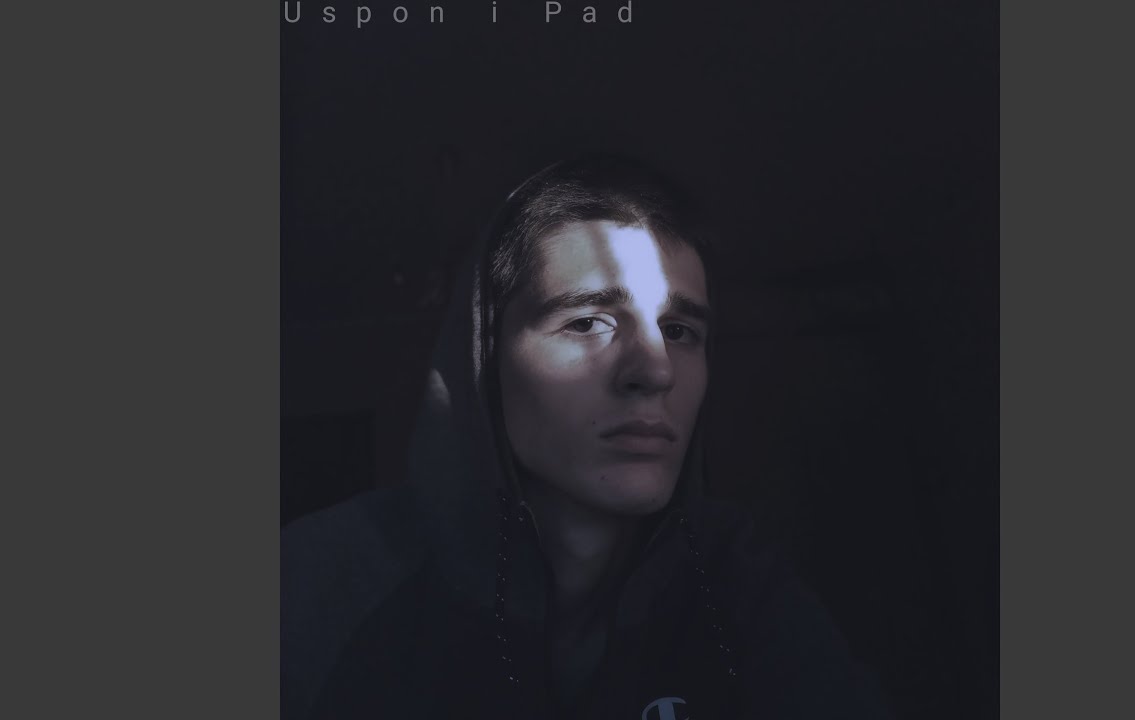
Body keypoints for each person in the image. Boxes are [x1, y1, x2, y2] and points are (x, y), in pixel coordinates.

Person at [281, 154, 891, 719]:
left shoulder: (736, 581)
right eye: (588, 321)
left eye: (679, 330)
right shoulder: (318, 587)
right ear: (482, 363)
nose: (656, 371)